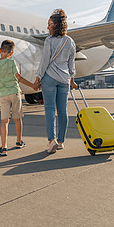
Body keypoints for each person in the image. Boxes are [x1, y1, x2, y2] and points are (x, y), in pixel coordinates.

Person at [35, 9, 78, 154]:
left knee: (49, 110)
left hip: (50, 78)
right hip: (64, 79)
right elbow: (72, 64)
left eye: (49, 24)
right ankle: (61, 142)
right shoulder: (70, 41)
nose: (47, 27)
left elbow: (45, 61)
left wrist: (38, 76)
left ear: (56, 25)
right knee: (63, 111)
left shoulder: (49, 41)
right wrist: (72, 79)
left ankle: (51, 140)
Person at [0, 40, 39, 156]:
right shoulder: (12, 63)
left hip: (3, 95)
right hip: (14, 93)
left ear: (0, 50)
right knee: (17, 118)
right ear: (11, 53)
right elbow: (19, 78)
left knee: (4, 121)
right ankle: (19, 141)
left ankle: (4, 147)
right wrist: (32, 85)